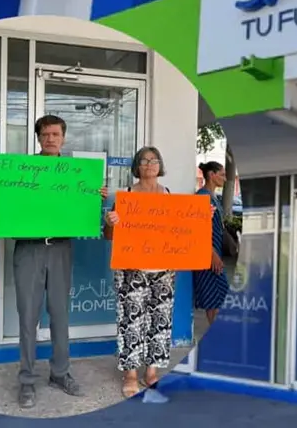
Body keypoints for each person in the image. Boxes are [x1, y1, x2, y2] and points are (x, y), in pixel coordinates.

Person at [0, 114, 108, 409]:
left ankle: (60, 374)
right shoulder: (21, 172)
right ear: (38, 138)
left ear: (63, 137)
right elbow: (4, 207)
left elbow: (85, 212)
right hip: (29, 249)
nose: (50, 139)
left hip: (61, 248)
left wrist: (96, 197)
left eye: (55, 134)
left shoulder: (77, 174)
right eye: (45, 134)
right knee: (28, 316)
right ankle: (27, 380)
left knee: (60, 314)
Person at [104, 146, 176, 403]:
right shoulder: (125, 196)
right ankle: (131, 376)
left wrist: (203, 219)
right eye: (144, 160)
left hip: (164, 270)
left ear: (160, 165)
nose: (149, 164)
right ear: (137, 166)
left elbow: (181, 229)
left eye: (154, 160)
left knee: (160, 321)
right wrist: (110, 223)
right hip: (131, 269)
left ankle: (152, 372)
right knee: (131, 322)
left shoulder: (169, 196)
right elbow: (108, 236)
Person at [195, 161, 230, 325]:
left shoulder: (213, 197)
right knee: (215, 301)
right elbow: (197, 229)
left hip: (213, 255)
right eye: (222, 174)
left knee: (216, 301)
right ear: (211, 175)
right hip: (207, 257)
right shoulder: (202, 197)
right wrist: (212, 254)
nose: (225, 178)